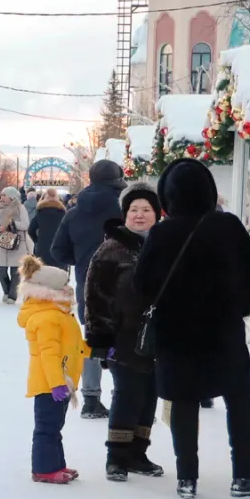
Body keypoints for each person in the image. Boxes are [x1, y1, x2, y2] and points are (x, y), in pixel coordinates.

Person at [133, 159, 250, 499]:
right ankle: (244, 475)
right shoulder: (229, 227)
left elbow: (142, 282)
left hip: (176, 333)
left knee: (184, 400)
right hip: (224, 329)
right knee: (238, 398)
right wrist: (238, 308)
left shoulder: (162, 232)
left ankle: (186, 478)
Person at [85, 186, 167, 482]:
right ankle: (116, 457)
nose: (140, 215)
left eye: (146, 210)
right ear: (125, 215)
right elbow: (95, 295)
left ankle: (138, 453)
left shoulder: (166, 247)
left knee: (149, 396)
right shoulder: (111, 249)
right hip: (123, 337)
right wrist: (99, 337)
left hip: (159, 337)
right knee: (128, 394)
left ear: (157, 215)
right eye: (134, 210)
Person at [49, 160, 127, 419]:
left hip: (87, 283)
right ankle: (124, 397)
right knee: (126, 337)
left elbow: (57, 250)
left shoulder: (74, 212)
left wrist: (83, 261)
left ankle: (91, 399)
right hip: (124, 281)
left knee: (92, 337)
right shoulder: (127, 209)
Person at [16, 255, 88, 484]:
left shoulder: (61, 315)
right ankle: (44, 469)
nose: (69, 289)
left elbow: (75, 346)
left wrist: (97, 352)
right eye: (64, 286)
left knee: (55, 427)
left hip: (61, 382)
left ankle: (56, 464)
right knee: (47, 428)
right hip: (50, 384)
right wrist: (57, 383)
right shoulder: (47, 317)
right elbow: (49, 354)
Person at [0, 186, 31, 303]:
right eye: (1, 195)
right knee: (0, 270)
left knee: (15, 272)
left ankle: (12, 296)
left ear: (12, 197)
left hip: (18, 244)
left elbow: (25, 225)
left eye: (4, 195)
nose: (1, 197)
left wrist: (13, 224)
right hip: (2, 243)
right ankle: (7, 291)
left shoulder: (20, 208)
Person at [29, 187, 67, 265]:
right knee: (60, 274)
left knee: (42, 273)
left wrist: (37, 240)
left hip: (42, 248)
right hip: (59, 249)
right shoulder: (64, 214)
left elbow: (31, 230)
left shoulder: (40, 213)